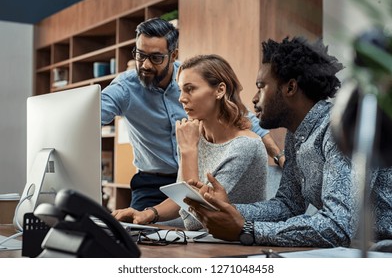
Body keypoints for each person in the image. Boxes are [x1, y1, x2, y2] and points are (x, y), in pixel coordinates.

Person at [184, 36, 365, 247]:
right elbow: (288, 205)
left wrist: (248, 230)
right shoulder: (295, 135)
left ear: (290, 88)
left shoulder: (339, 128)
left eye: (261, 87)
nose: (254, 99)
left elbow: (337, 226)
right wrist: (230, 210)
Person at [101, 17, 283, 211]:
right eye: (140, 55)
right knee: (138, 234)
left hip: (198, 175)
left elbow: (244, 117)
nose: (145, 65)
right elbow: (90, 116)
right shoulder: (125, 88)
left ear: (173, 55)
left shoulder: (191, 76)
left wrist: (279, 155)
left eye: (155, 58)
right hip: (151, 183)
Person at [112, 54, 268, 229]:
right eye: (180, 90)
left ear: (220, 90)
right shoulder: (194, 135)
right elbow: (182, 197)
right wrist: (148, 214)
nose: (181, 98)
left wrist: (188, 151)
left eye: (190, 89)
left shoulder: (245, 146)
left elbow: (194, 219)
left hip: (238, 245)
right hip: (205, 240)